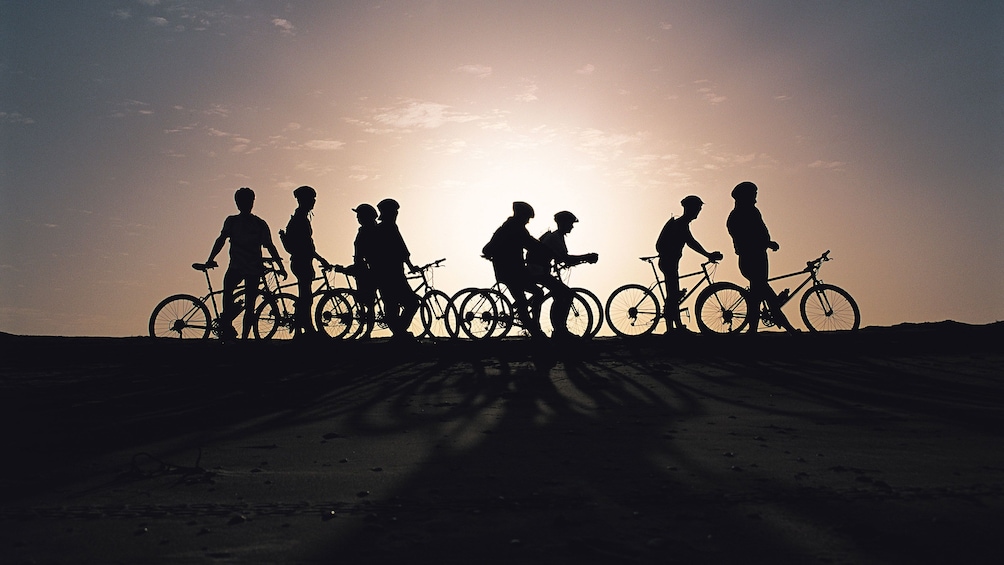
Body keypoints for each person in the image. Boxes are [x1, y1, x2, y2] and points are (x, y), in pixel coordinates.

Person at [206, 187, 286, 340]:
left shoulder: (255, 223)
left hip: (248, 268)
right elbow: (221, 240)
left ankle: (238, 334)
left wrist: (280, 265)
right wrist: (210, 258)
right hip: (242, 267)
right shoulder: (242, 222)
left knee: (244, 303)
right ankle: (233, 331)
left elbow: (270, 246)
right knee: (244, 303)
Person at [726, 181, 798, 333]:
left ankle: (752, 330)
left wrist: (766, 243)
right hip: (751, 259)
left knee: (757, 296)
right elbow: (746, 239)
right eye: (753, 195)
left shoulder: (751, 211)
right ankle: (789, 329)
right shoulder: (738, 216)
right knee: (767, 295)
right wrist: (766, 243)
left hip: (758, 256)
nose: (755, 199)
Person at [482, 202, 556, 339]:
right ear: (521, 215)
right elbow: (531, 244)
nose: (528, 221)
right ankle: (535, 329)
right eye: (527, 217)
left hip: (512, 271)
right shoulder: (515, 229)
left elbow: (487, 249)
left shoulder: (506, 228)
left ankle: (533, 326)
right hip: (511, 272)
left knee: (532, 294)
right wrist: (549, 252)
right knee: (531, 297)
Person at [526, 211, 599, 339]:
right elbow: (566, 259)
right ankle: (560, 330)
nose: (572, 226)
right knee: (566, 294)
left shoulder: (557, 236)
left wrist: (581, 259)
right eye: (570, 223)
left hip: (539, 269)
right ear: (563, 223)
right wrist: (587, 257)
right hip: (538, 271)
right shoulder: (555, 238)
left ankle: (559, 329)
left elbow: (561, 258)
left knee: (560, 293)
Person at [656, 196, 724, 333]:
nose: (698, 211)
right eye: (698, 208)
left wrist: (708, 254)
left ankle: (675, 326)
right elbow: (692, 243)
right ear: (690, 209)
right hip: (669, 262)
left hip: (670, 261)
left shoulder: (682, 224)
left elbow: (691, 242)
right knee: (673, 294)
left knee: (673, 293)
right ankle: (672, 328)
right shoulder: (680, 225)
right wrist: (708, 255)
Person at [279, 185, 330, 339]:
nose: (313, 202)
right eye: (311, 199)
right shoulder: (300, 219)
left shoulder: (300, 218)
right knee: (306, 297)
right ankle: (306, 328)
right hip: (302, 261)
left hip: (301, 261)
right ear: (303, 200)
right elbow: (306, 246)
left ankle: (301, 330)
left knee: (305, 296)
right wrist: (321, 259)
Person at [368, 198, 421, 340]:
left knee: (392, 305)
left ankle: (399, 333)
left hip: (384, 274)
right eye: (395, 211)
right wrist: (410, 265)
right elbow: (401, 250)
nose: (396, 214)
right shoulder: (389, 227)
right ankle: (400, 332)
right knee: (410, 303)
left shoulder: (380, 228)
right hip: (393, 274)